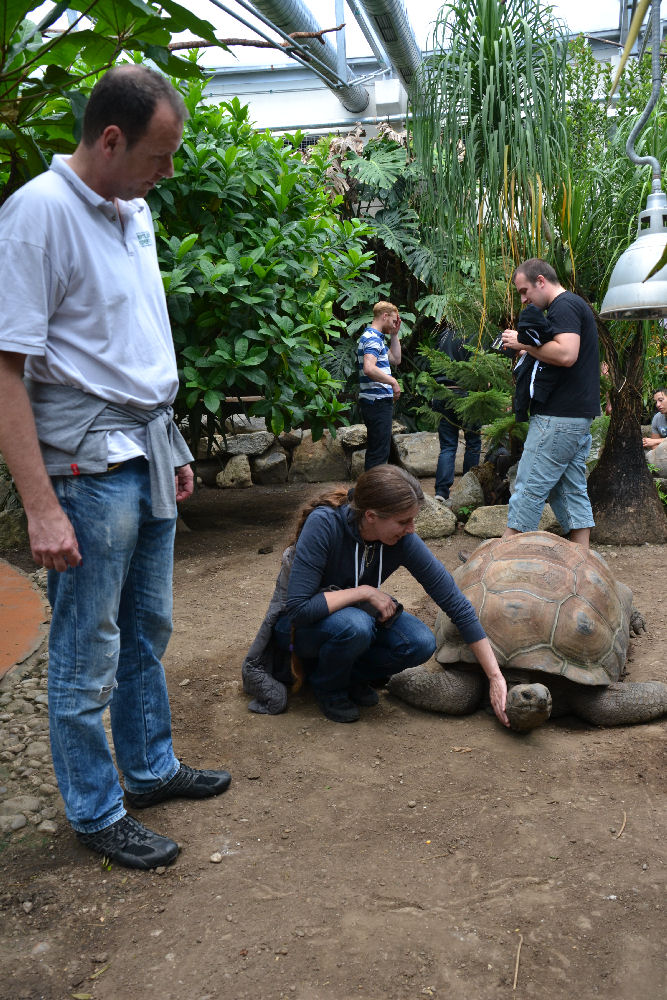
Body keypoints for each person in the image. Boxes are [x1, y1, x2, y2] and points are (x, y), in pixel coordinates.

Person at [0, 66, 231, 871]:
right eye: (158, 155)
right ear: (109, 139)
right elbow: (6, 370)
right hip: (86, 464)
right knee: (85, 646)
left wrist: (172, 444)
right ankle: (97, 810)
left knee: (148, 628)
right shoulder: (37, 215)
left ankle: (150, 768)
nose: (167, 173)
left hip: (145, 446)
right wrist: (41, 506)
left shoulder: (132, 211)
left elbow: (133, 339)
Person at [271, 466, 509, 726]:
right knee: (357, 626)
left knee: (420, 642)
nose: (411, 529)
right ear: (371, 516)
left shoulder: (402, 540)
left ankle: (349, 675)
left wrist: (495, 677)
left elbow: (455, 603)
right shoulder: (324, 524)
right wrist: (364, 592)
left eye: (413, 520)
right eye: (403, 521)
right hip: (297, 630)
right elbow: (298, 609)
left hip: (347, 622)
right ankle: (328, 687)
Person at [500, 259, 600, 548]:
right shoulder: (571, 306)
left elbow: (567, 354)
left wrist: (523, 343)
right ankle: (583, 563)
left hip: (559, 417)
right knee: (569, 490)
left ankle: (502, 558)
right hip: (575, 416)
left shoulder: (564, 306)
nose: (523, 300)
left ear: (541, 281)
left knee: (529, 485)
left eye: (524, 291)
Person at [430, 327, 481, 501]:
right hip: (466, 394)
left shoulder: (444, 334)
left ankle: (441, 492)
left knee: (448, 446)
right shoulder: (475, 332)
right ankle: (469, 490)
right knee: (473, 443)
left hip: (443, 393)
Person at [358, 301, 402, 469]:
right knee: (378, 455)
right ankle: (368, 493)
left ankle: (367, 492)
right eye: (393, 321)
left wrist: (394, 334)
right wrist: (393, 381)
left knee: (379, 450)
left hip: (376, 402)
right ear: (385, 316)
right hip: (377, 403)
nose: (394, 324)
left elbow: (396, 360)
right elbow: (369, 368)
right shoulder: (372, 339)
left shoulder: (376, 339)